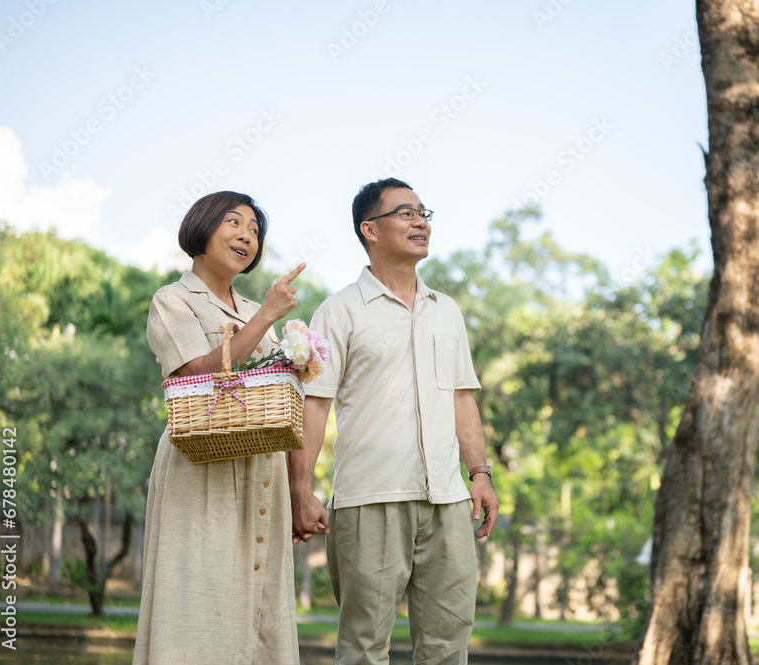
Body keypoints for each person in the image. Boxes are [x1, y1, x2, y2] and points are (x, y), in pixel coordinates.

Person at [289, 178, 499, 665]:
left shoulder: (447, 311)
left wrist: (480, 475)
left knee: (449, 647)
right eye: (405, 213)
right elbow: (313, 406)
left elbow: (463, 400)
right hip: (370, 498)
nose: (420, 221)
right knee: (364, 647)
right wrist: (300, 489)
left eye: (424, 213)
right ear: (370, 230)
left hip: (447, 500)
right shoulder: (338, 311)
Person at [134, 191, 305, 665]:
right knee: (198, 595)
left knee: (261, 605)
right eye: (234, 222)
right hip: (200, 467)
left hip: (261, 470)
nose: (247, 235)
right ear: (202, 228)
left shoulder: (253, 309)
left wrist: (300, 488)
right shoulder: (172, 299)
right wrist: (268, 316)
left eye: (254, 229)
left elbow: (281, 395)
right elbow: (195, 373)